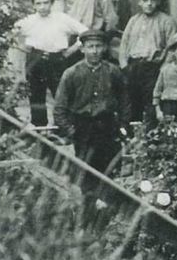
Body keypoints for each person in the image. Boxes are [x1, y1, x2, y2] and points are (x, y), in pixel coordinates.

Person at [54, 29, 131, 216]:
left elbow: (125, 102)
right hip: (83, 128)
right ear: (83, 49)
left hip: (107, 128)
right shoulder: (71, 74)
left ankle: (107, 215)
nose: (95, 51)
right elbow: (59, 109)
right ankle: (87, 214)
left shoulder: (113, 72)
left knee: (109, 172)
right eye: (90, 47)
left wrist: (122, 125)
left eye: (98, 46)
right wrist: (71, 130)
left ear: (104, 48)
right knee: (86, 175)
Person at [14, 0, 88, 127]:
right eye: (38, 3)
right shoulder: (29, 20)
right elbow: (12, 32)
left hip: (57, 61)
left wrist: (72, 49)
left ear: (52, 3)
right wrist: (21, 47)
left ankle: (63, 128)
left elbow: (85, 31)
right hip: (35, 60)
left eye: (45, 3)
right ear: (33, 5)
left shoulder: (61, 19)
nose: (42, 7)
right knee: (36, 97)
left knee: (61, 96)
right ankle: (40, 129)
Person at [117, 0, 177, 122]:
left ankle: (150, 138)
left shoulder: (166, 22)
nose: (149, 4)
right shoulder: (134, 20)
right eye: (145, 0)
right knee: (132, 103)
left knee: (152, 104)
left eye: (152, 0)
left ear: (158, 2)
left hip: (153, 68)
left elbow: (173, 48)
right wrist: (124, 65)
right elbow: (124, 43)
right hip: (133, 67)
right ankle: (132, 137)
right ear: (140, 2)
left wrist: (163, 68)